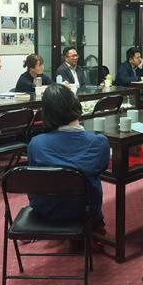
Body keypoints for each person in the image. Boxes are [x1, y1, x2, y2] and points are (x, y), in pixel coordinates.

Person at [27, 84, 110, 228]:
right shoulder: (99, 142)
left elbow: (34, 177)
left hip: (45, 210)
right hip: (84, 211)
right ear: (76, 105)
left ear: (46, 113)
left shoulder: (36, 144)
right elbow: (101, 169)